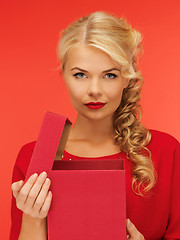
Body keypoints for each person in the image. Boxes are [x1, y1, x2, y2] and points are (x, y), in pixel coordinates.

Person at [10, 11, 180, 240]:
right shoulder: (34, 157)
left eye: (109, 75)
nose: (94, 90)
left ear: (127, 78)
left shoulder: (166, 152)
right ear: (63, 76)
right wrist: (32, 220)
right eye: (80, 75)